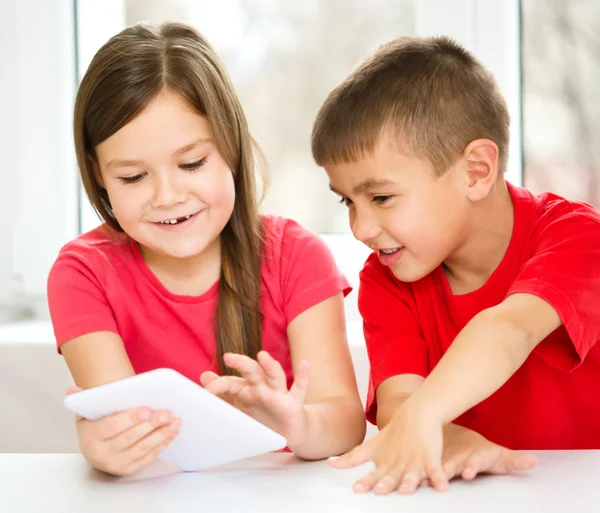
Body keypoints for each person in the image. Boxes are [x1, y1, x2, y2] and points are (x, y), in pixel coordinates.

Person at [47, 21, 365, 477]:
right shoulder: (83, 273)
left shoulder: (297, 256)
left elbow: (345, 425)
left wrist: (298, 424)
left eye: (192, 162)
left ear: (231, 147)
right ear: (99, 174)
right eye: (133, 177)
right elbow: (124, 427)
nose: (168, 196)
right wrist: (105, 446)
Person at [311, 35, 600, 495]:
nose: (361, 228)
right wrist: (453, 439)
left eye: (381, 197)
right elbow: (399, 403)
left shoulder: (577, 236)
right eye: (349, 201)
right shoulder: (385, 279)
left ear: (476, 172)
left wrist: (425, 415)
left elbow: (510, 329)